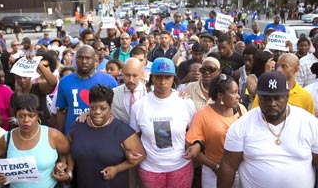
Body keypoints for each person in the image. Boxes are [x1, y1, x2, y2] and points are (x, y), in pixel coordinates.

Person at [217, 71, 318, 188]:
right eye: (266, 98)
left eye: (277, 98)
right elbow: (228, 165)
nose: (272, 103)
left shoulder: (310, 123)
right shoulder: (241, 126)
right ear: (258, 98)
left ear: (287, 97)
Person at [130, 57, 196, 188]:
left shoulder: (185, 103)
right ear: (152, 78)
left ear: (173, 78)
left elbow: (194, 132)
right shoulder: (139, 106)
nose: (163, 82)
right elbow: (134, 136)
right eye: (159, 77)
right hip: (150, 169)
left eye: (167, 77)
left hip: (180, 166)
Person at [67, 85, 146, 188]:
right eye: (93, 107)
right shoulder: (77, 126)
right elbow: (67, 151)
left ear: (110, 107)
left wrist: (117, 168)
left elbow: (141, 155)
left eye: (103, 108)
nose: (97, 112)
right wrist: (68, 171)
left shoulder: (122, 130)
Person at [185, 73, 246, 188]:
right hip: (213, 172)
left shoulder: (241, 110)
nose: (238, 96)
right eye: (233, 93)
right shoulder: (202, 114)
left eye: (237, 92)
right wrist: (215, 167)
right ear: (220, 95)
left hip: (239, 170)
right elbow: (191, 147)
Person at [0, 93, 70, 188]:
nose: (26, 120)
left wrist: (65, 168)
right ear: (16, 116)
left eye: (31, 116)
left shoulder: (53, 135)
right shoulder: (7, 138)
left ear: (38, 116)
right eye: (21, 116)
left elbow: (68, 152)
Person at [56, 45, 118, 134]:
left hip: (102, 134)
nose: (84, 61)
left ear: (94, 60)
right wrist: (60, 136)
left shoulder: (109, 81)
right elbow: (61, 111)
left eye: (88, 58)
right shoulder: (64, 81)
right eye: (80, 58)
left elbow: (114, 110)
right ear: (75, 59)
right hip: (73, 134)